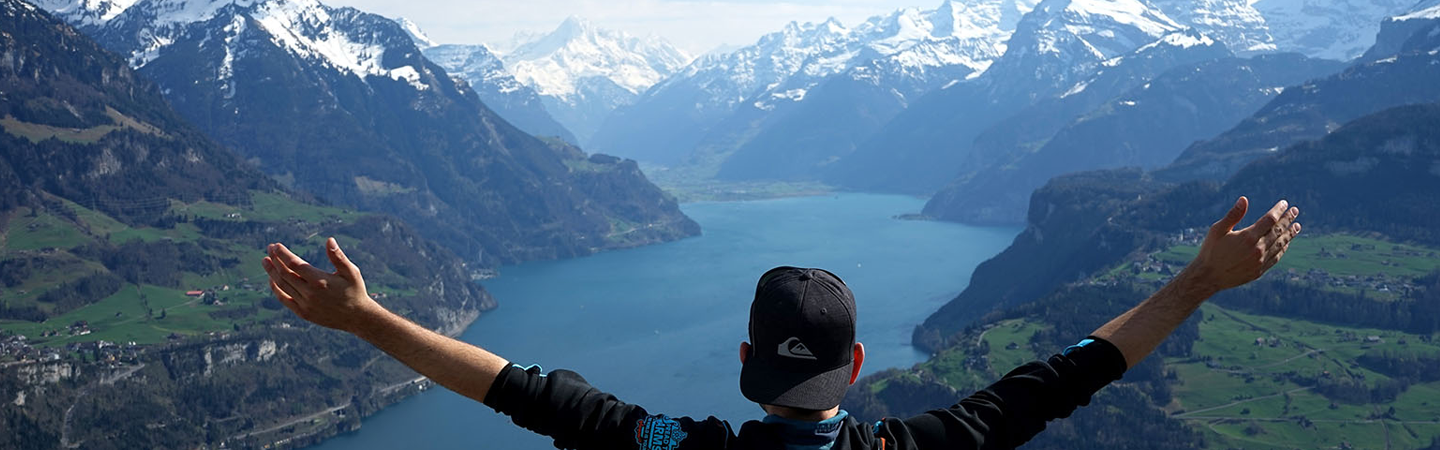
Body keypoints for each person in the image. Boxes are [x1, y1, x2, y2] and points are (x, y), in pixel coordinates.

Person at [260, 197, 1301, 450]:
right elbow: (1077, 370)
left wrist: (367, 320)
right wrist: (1197, 283)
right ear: (856, 367)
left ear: (747, 364)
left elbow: (518, 387)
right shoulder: (925, 446)